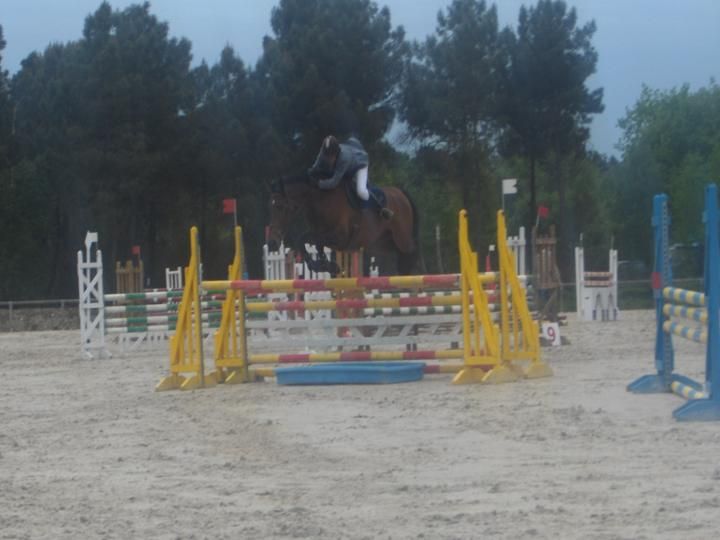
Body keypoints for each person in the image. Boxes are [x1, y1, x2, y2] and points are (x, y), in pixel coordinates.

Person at [308, 135, 394, 219]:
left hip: (360, 165)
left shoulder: (344, 158)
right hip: (349, 162)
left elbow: (334, 182)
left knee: (361, 192)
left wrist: (319, 184)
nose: (329, 159)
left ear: (336, 152)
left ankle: (379, 206)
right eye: (327, 156)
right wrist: (311, 172)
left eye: (331, 156)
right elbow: (316, 166)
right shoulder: (324, 153)